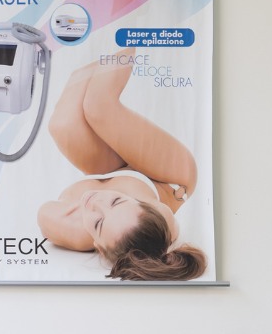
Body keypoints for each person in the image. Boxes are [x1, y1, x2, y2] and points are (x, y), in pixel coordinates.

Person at [37, 48, 206, 280]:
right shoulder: (161, 218)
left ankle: (97, 48)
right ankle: (125, 36)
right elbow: (163, 236)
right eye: (116, 201)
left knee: (62, 125)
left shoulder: (78, 234)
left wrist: (88, 221)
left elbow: (44, 213)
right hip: (168, 177)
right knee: (99, 107)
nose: (96, 203)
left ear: (98, 246)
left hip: (112, 171)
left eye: (98, 223)